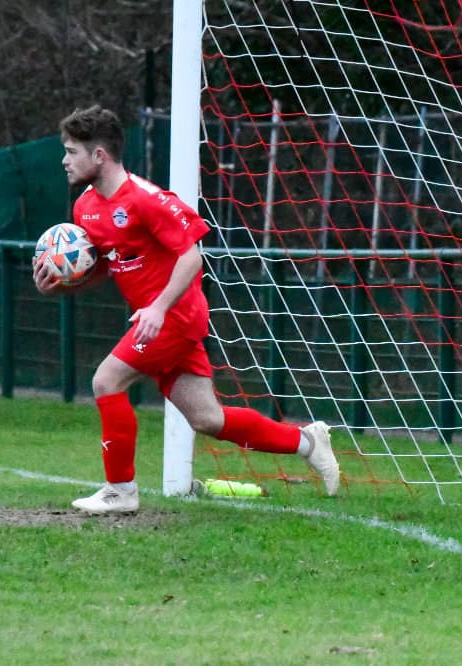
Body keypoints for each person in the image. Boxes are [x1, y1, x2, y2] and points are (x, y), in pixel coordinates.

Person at [33, 105, 340, 514]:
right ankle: (307, 442)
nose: (64, 160)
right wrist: (59, 286)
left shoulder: (146, 199)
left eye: (72, 151)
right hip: (155, 320)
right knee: (208, 419)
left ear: (100, 155)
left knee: (107, 381)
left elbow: (191, 256)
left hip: (174, 317)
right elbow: (104, 268)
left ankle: (120, 491)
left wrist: (158, 309)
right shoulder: (85, 207)